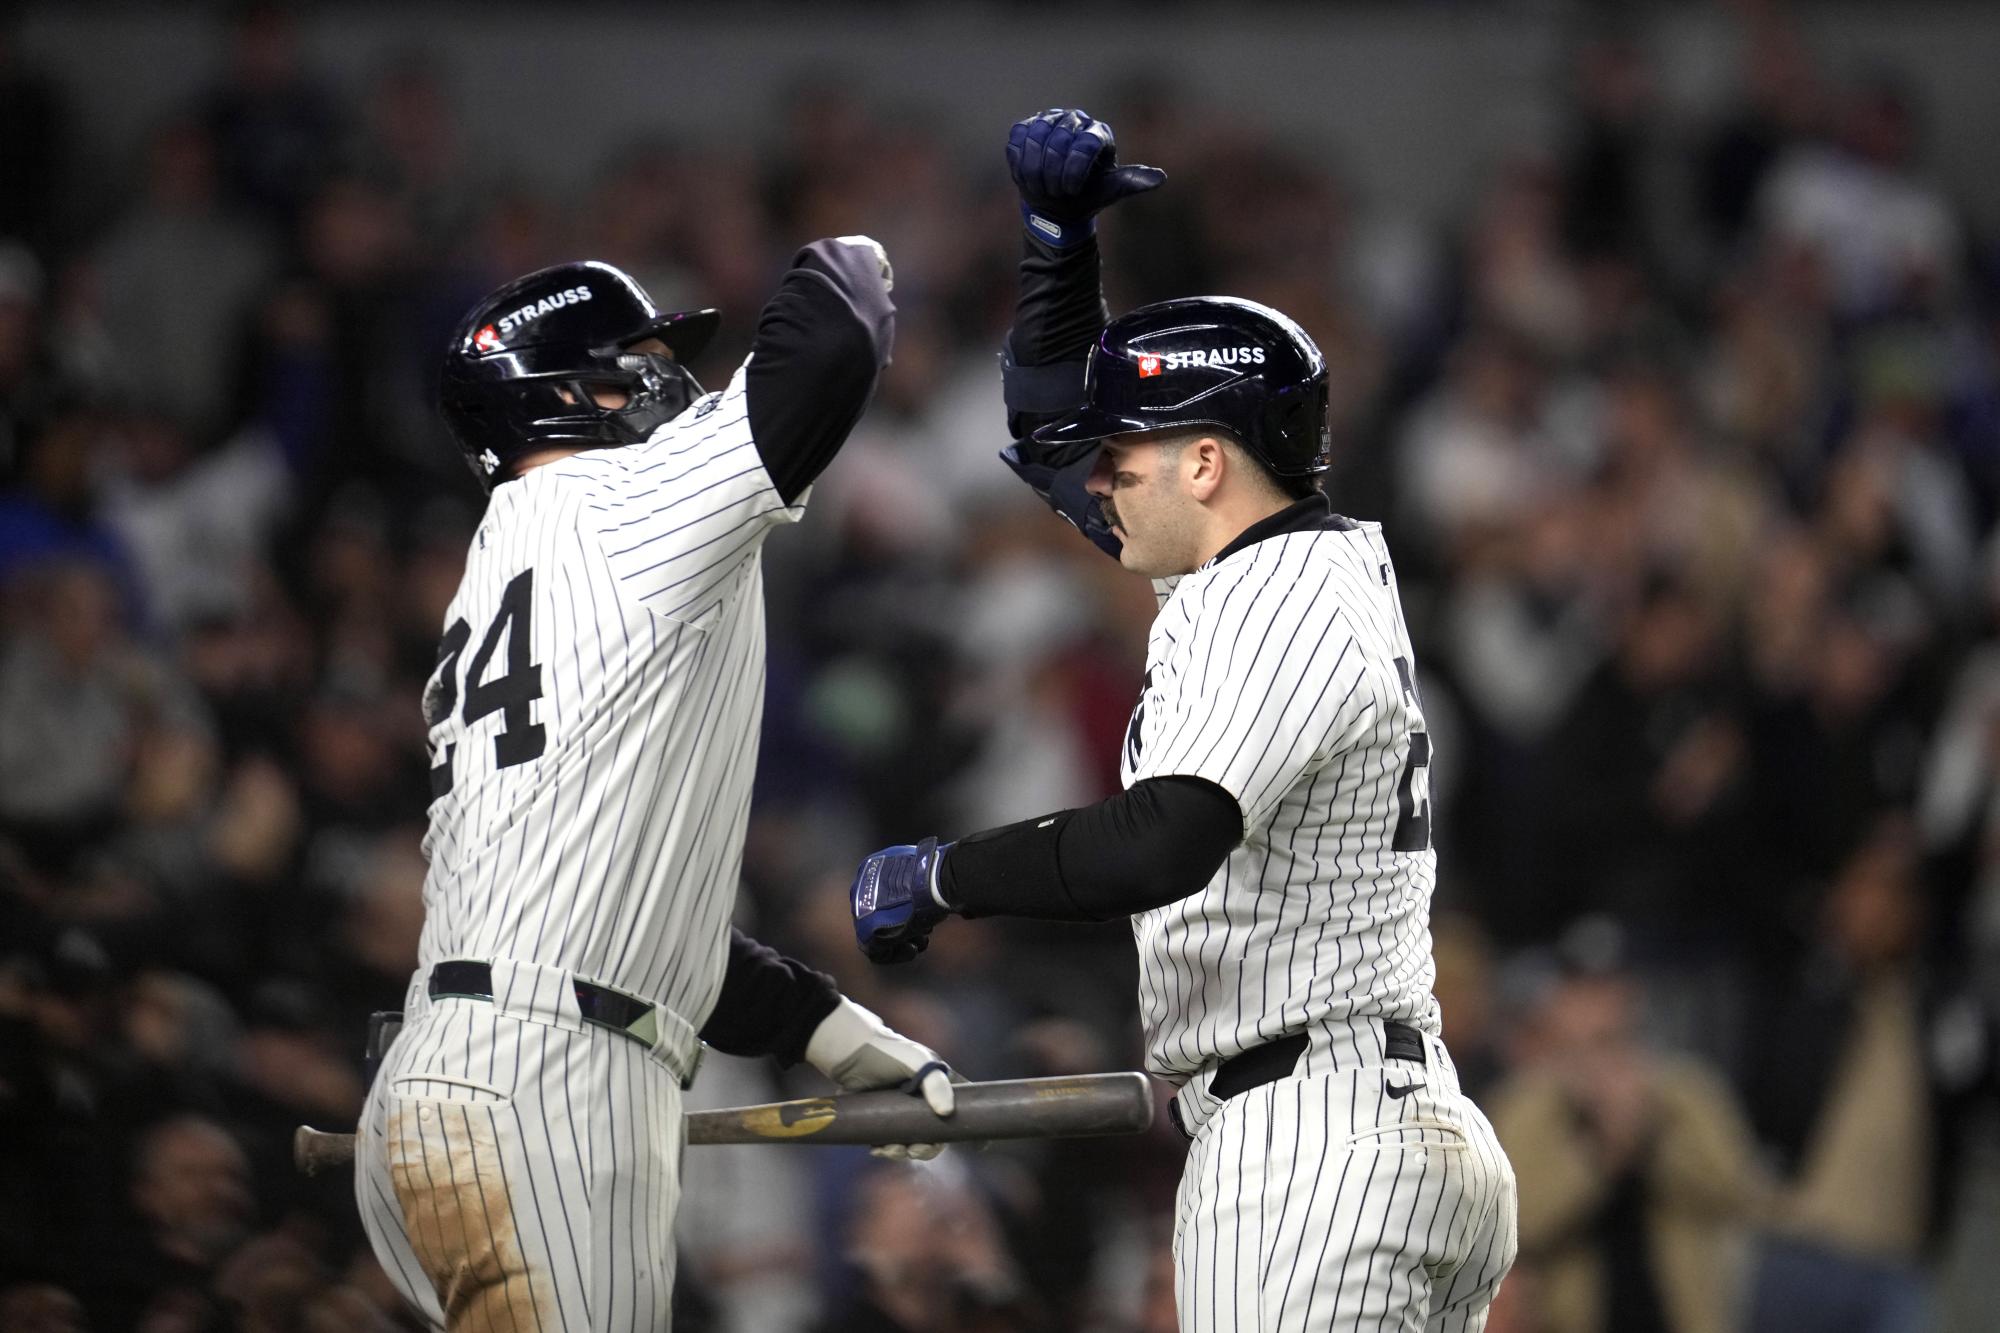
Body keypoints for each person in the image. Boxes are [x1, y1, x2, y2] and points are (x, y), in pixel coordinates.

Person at [847, 109, 1518, 1331]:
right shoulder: (1266, 567)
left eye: (1125, 455)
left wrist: (951, 873)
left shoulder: (1275, 594)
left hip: (1314, 1147)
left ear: (1205, 463)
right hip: (1360, 1118)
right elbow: (1048, 422)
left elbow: (1159, 841)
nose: (1093, 478)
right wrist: (1056, 250)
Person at [356, 241, 958, 1331]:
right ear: (568, 391)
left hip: (474, 1063)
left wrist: (818, 1027)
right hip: (548, 1086)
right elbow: (838, 326)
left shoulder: (505, 568)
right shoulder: (617, 501)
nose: (673, 380)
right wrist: (853, 238)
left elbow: (610, 912)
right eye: (642, 355)